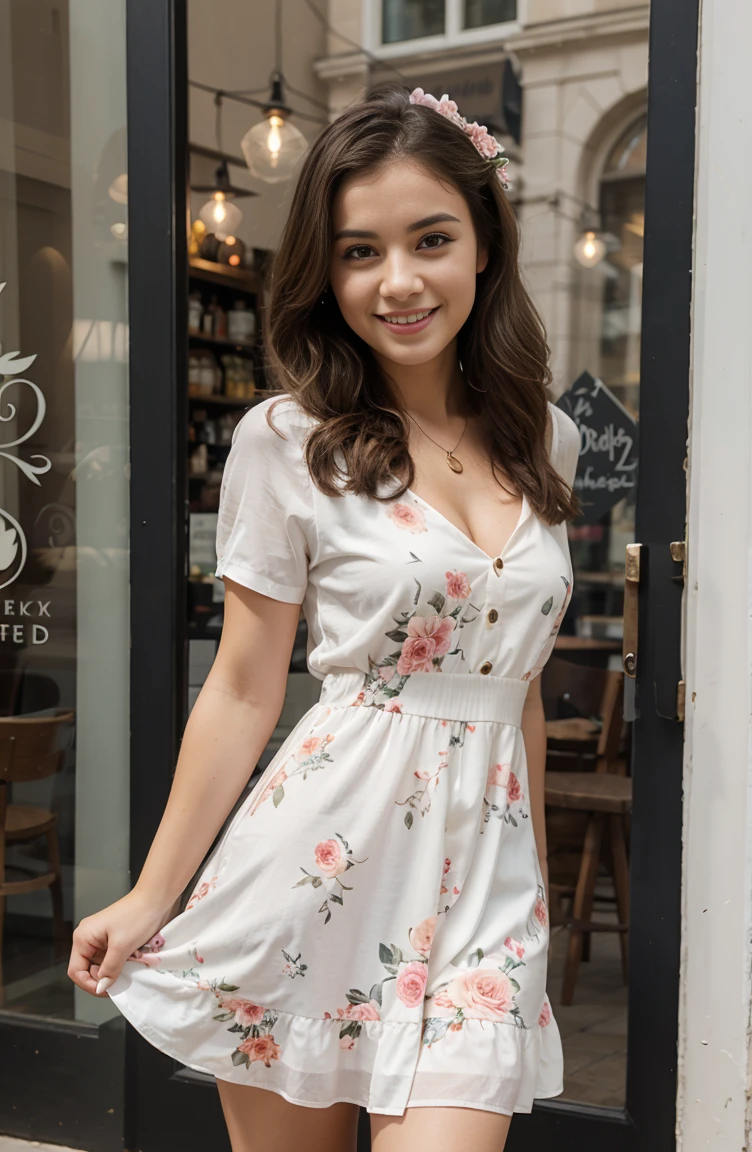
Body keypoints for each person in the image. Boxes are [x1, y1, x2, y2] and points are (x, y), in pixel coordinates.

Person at [68, 82, 580, 1152]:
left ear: (482, 242)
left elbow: (517, 691)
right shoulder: (288, 439)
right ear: (326, 269)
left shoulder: (548, 438)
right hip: (317, 868)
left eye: (429, 238)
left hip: (484, 896)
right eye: (358, 252)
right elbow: (245, 687)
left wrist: (530, 889)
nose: (397, 281)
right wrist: (152, 893)